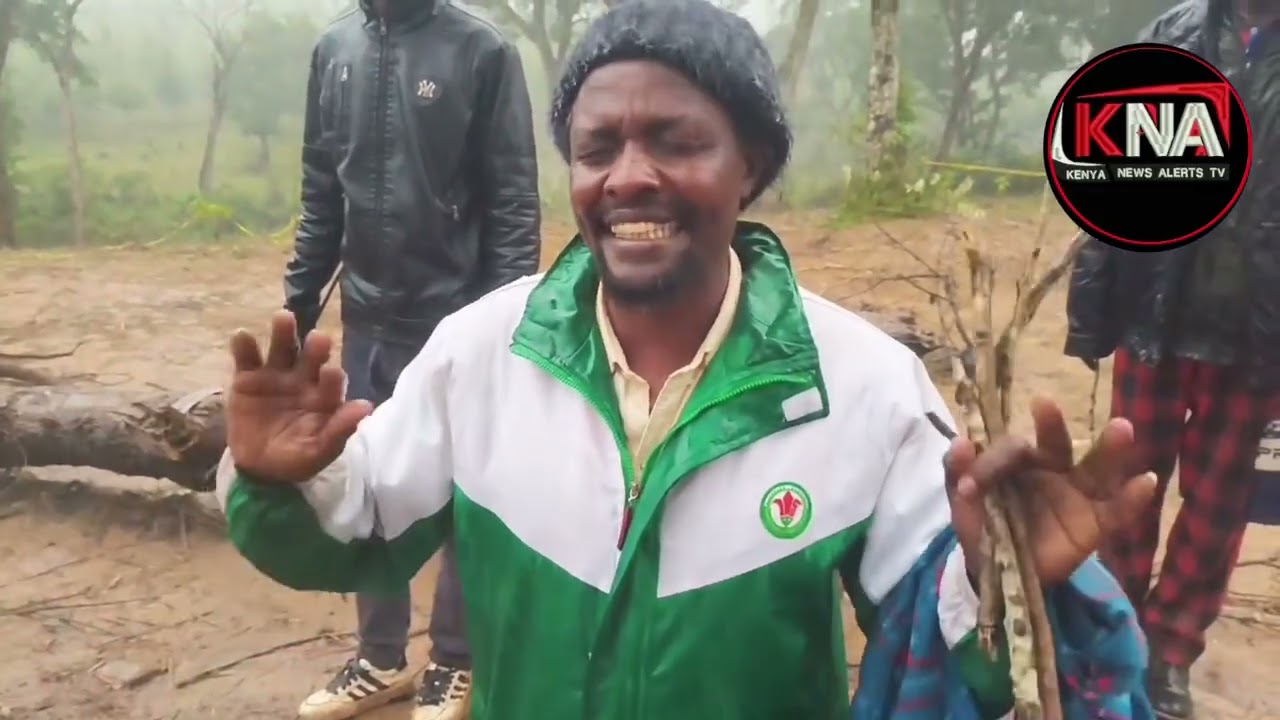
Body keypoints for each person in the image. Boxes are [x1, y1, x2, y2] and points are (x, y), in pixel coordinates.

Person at [227, 1, 1153, 717]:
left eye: (676, 141)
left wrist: (1012, 588)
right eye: (598, 148)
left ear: (749, 164)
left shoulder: (862, 386)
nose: (629, 175)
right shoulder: (483, 353)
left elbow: (944, 648)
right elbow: (356, 529)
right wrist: (275, 483)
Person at [278, 0, 539, 717]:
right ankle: (379, 658)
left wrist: (504, 325)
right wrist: (294, 313)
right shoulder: (335, 50)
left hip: (458, 321)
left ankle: (455, 661)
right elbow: (321, 197)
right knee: (369, 488)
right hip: (369, 322)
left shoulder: (482, 50)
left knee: (463, 499)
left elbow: (514, 202)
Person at [1064, 1, 1280, 718]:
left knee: (1219, 507)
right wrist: (1095, 305)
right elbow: (1115, 176)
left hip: (1258, 330)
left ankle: (1171, 650)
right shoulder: (1175, 34)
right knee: (1129, 485)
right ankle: (1117, 629)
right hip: (1157, 310)